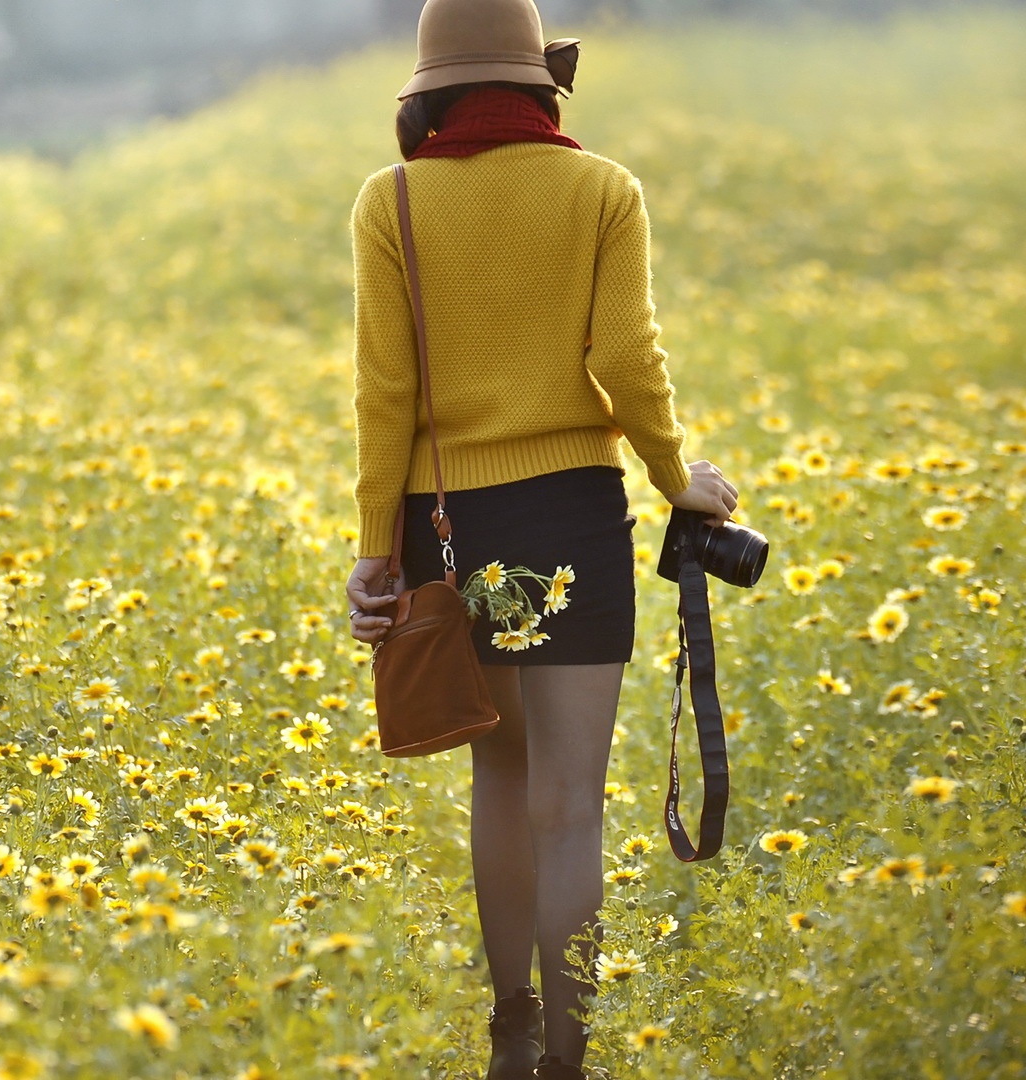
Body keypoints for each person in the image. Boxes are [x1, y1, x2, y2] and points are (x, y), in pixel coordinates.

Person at [342, 1, 739, 1077]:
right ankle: (573, 1050)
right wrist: (677, 478)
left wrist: (375, 552)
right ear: (541, 79)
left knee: (499, 781)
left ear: (428, 88)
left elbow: (386, 397)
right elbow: (625, 353)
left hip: (446, 529)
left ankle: (508, 1027)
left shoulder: (394, 201)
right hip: (570, 513)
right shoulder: (603, 189)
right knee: (570, 808)